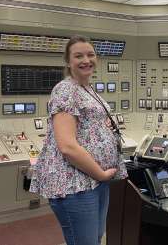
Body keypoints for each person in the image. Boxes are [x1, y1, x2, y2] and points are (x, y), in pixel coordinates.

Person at [30, 35, 128, 245]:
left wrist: (104, 128)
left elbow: (87, 125)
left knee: (95, 237)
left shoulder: (89, 89)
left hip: (94, 181)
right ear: (68, 62)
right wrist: (100, 173)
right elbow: (67, 147)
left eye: (90, 54)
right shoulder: (65, 89)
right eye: (78, 56)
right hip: (75, 184)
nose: (86, 60)